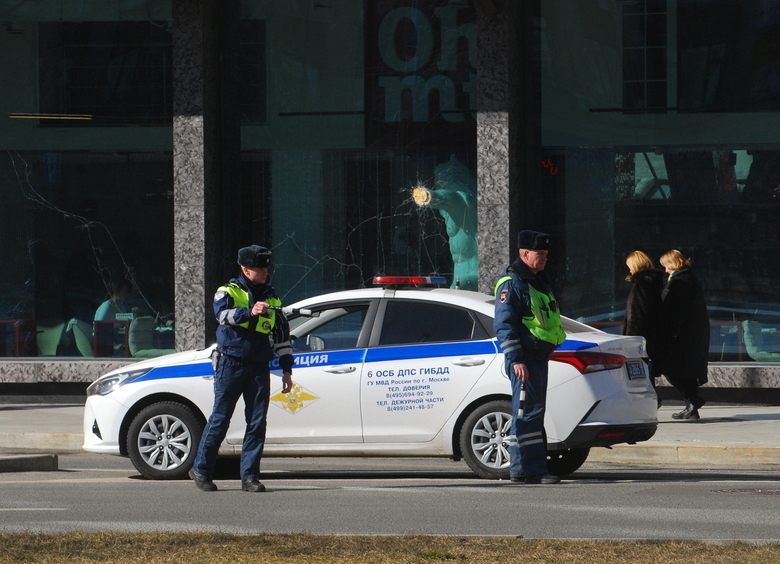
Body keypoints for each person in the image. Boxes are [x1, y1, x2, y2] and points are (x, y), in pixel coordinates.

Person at [190, 245, 294, 492]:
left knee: (257, 422)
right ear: (246, 270)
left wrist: (287, 370)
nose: (265, 272)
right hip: (231, 363)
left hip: (259, 366)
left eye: (267, 267)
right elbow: (221, 316)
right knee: (220, 419)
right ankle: (201, 470)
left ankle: (250, 477)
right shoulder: (228, 291)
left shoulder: (272, 296)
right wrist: (249, 312)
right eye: (260, 268)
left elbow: (282, 337)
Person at [493, 230, 566, 485]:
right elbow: (505, 325)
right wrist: (517, 360)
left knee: (530, 412)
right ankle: (532, 470)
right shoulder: (512, 284)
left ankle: (522, 470)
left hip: (537, 357)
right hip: (525, 360)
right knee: (527, 413)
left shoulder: (536, 281)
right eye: (540, 254)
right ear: (525, 254)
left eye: (546, 254)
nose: (545, 258)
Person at [657, 249, 710, 420]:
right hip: (690, 334)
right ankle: (692, 405)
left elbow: (677, 310)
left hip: (682, 336)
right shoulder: (689, 278)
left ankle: (693, 401)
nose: (665, 271)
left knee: (673, 369)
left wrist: (672, 333)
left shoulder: (681, 281)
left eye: (666, 266)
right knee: (684, 371)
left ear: (673, 264)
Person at [621, 251, 664, 397]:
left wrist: (629, 340)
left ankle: (650, 400)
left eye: (630, 266)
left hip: (640, 338)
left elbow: (636, 315)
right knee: (648, 369)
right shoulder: (654, 283)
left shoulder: (641, 284)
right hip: (653, 335)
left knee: (642, 371)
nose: (630, 270)